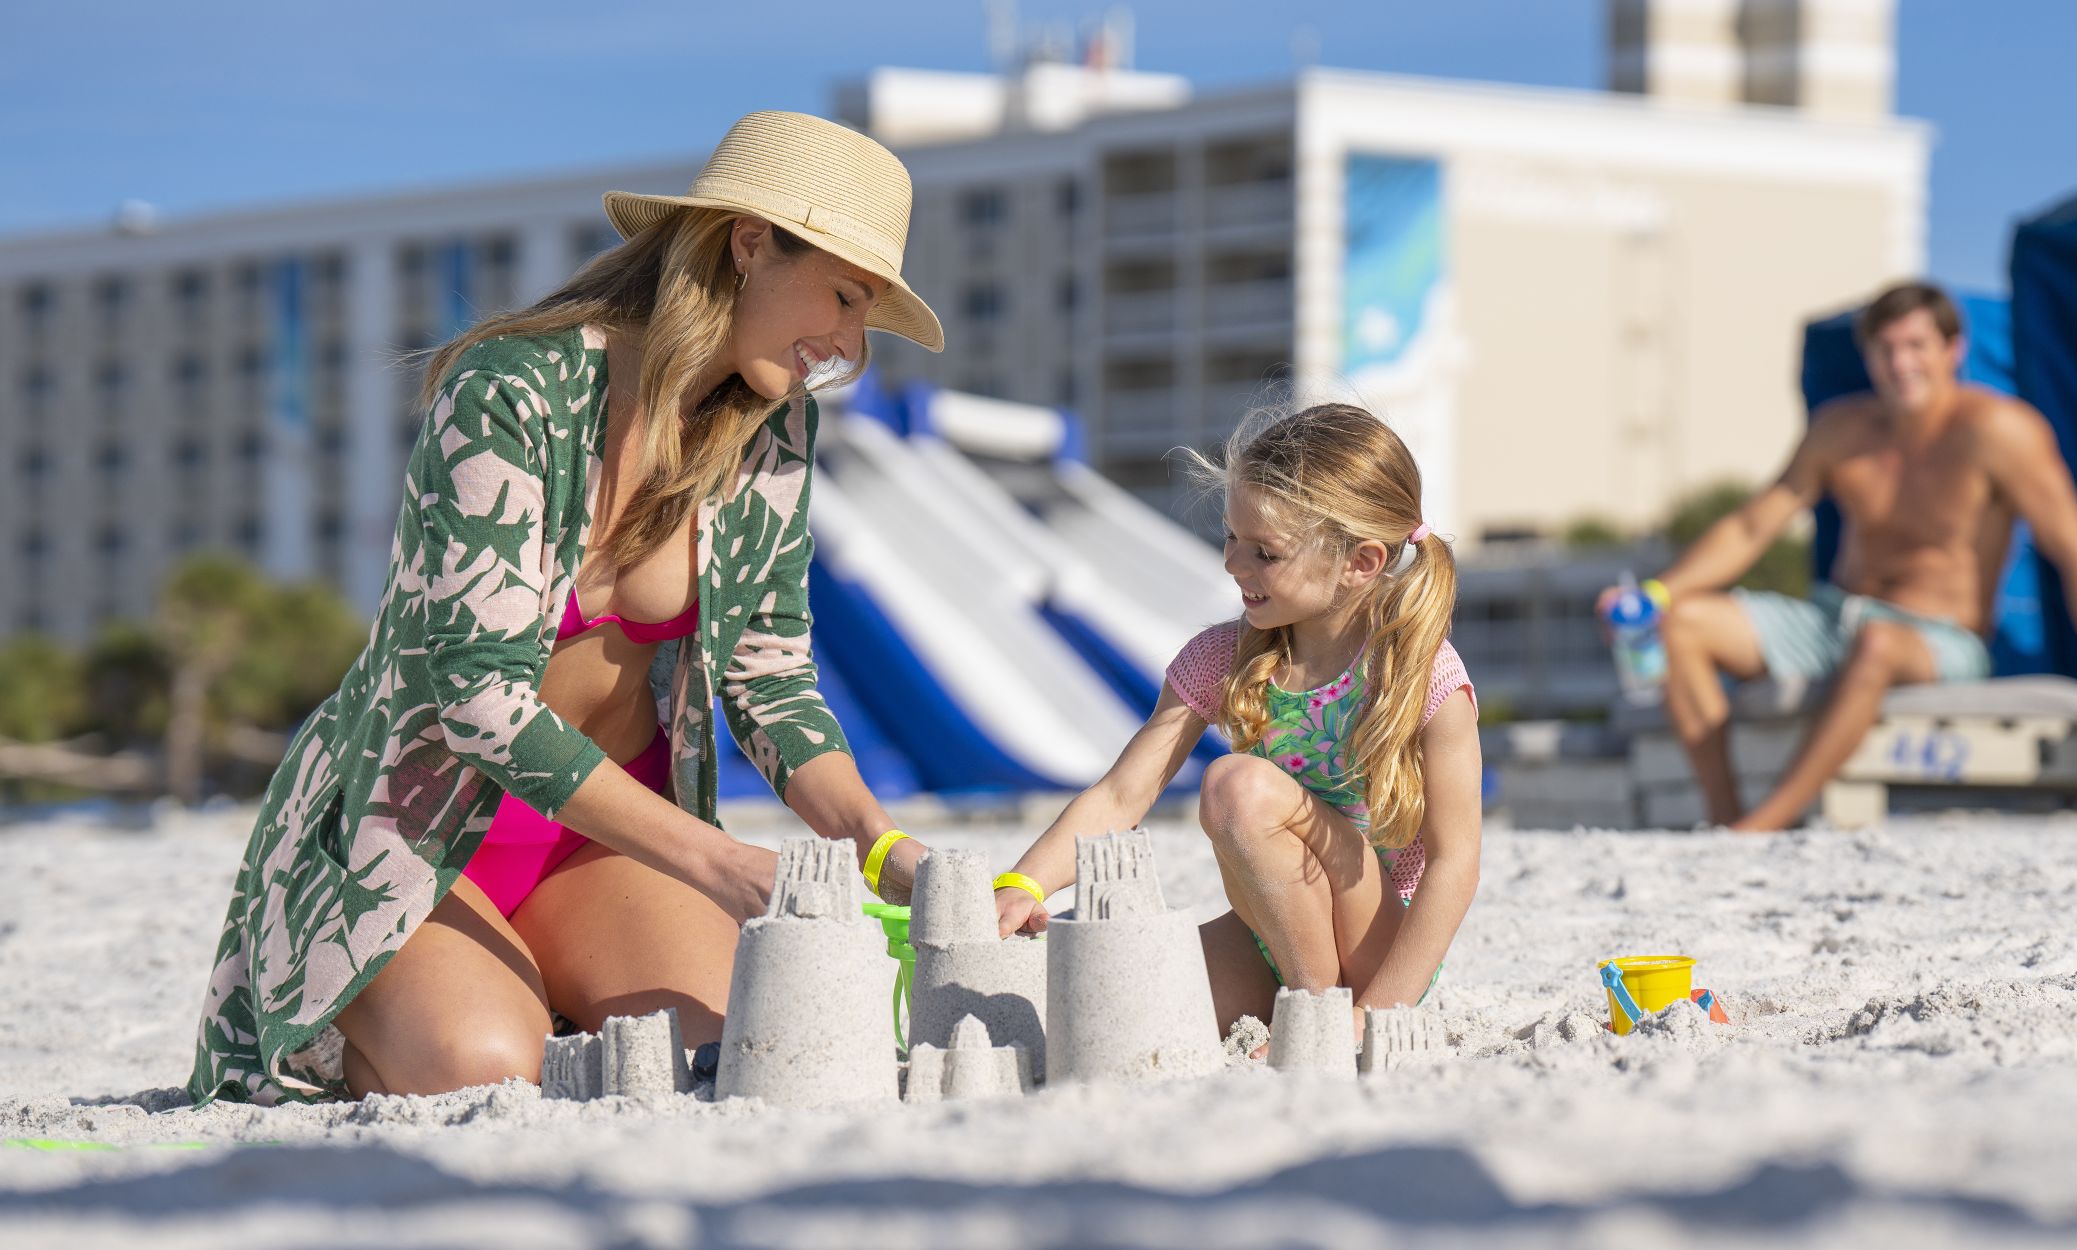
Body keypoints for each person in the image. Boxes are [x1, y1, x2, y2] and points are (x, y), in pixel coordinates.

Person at [187, 112, 949, 1104]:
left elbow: (770, 672)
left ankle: (533, 987)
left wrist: (880, 843)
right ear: (749, 242)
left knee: (738, 1044)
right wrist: (718, 861)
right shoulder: (511, 394)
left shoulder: (772, 428)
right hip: (419, 835)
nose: (848, 345)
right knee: (480, 1067)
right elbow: (475, 696)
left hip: (604, 843)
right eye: (845, 298)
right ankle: (439, 1004)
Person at [992, 404, 1482, 1040]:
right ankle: (1307, 1003)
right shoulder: (1223, 657)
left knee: (1236, 787)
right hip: (1269, 934)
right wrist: (1023, 883)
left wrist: (1377, 1015)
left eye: (1264, 552)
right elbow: (1121, 794)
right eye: (1230, 537)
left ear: (1359, 562)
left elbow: (1455, 863)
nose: (1232, 563)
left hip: (1378, 946)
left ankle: (1317, 1017)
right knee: (1122, 1011)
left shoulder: (1423, 675)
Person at [1604, 282, 2077, 832]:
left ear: (1953, 351)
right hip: (1836, 618)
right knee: (1684, 624)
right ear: (1869, 358)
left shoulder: (1999, 431)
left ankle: (1762, 826)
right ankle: (1724, 818)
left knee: (1876, 643)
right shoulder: (1841, 429)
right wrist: (1654, 596)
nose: (1901, 363)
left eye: (1916, 346)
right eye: (1886, 349)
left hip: (1937, 639)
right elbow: (1751, 526)